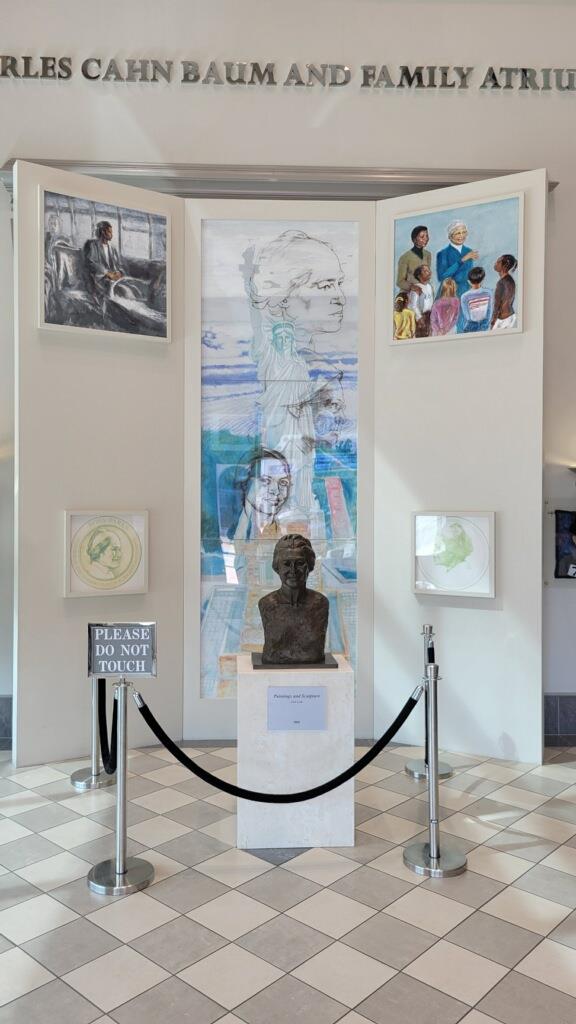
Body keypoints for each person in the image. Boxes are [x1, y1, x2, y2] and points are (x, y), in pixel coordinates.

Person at [246, 229, 346, 516]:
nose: (341, 297)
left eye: (339, 284)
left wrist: (324, 401)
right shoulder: (272, 355)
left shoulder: (302, 363)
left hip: (299, 453)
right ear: (284, 297)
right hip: (282, 452)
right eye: (326, 286)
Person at [258, 534, 329, 664]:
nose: (293, 570)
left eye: (300, 563)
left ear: (310, 566)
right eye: (286, 564)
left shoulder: (320, 604)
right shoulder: (266, 604)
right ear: (277, 567)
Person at [234, 447, 291, 538]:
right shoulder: (235, 530)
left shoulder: (287, 531)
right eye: (265, 481)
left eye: (283, 482)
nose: (276, 491)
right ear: (245, 484)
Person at [83, 220, 130, 297]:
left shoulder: (113, 248)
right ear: (103, 232)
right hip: (100, 279)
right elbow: (91, 263)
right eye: (109, 232)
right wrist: (107, 273)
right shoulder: (92, 245)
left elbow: (119, 263)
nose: (112, 234)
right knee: (120, 290)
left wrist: (118, 272)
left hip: (114, 278)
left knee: (130, 287)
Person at [396, 225, 432, 294]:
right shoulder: (405, 257)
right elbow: (400, 282)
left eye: (427, 236)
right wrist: (412, 287)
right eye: (422, 237)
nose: (426, 238)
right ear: (414, 239)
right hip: (408, 295)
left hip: (423, 293)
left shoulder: (428, 254)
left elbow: (427, 275)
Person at [460, 267, 493, 333]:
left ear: (469, 281)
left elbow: (467, 315)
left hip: (471, 325)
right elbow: (489, 310)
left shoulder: (465, 296)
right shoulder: (488, 293)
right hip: (484, 324)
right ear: (483, 280)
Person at [491, 254, 518, 329]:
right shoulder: (511, 280)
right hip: (511, 316)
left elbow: (497, 304)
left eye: (498, 261)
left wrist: (493, 321)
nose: (495, 263)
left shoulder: (501, 283)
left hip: (502, 320)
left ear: (504, 266)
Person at [408, 264, 434, 337]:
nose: (429, 272)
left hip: (429, 317)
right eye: (425, 271)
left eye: (429, 270)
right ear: (419, 276)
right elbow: (413, 306)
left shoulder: (429, 287)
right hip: (420, 319)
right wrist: (419, 318)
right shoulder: (416, 288)